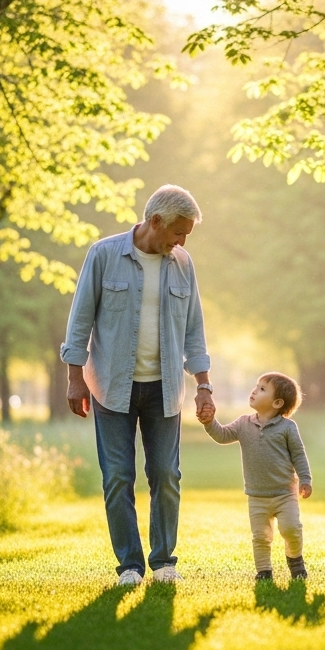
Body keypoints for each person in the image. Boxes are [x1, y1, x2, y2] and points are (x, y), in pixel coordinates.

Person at [61, 185, 215, 586]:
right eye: (178, 233)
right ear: (156, 221)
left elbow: (195, 329)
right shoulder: (104, 255)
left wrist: (204, 385)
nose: (180, 242)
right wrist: (74, 379)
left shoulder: (182, 263)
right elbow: (79, 321)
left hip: (163, 389)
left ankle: (164, 562)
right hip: (111, 387)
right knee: (117, 476)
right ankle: (129, 565)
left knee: (166, 474)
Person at [200, 372, 313, 582]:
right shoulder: (244, 423)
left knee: (291, 529)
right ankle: (264, 571)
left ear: (278, 403)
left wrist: (305, 479)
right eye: (256, 386)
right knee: (260, 536)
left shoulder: (288, 427)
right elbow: (223, 435)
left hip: (285, 493)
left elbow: (298, 455)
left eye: (262, 389)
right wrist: (209, 422)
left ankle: (295, 558)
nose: (254, 391)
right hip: (257, 496)